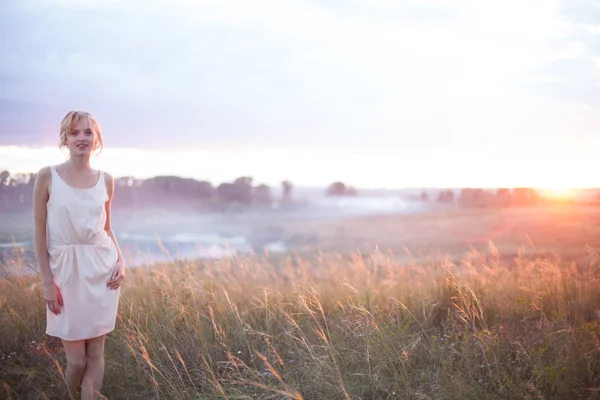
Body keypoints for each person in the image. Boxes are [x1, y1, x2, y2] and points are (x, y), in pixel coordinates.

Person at [32, 110, 126, 400]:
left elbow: (107, 228)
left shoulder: (106, 180)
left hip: (102, 270)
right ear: (65, 138)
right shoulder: (47, 176)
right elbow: (38, 233)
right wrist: (48, 281)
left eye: (88, 132)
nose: (82, 138)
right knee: (76, 361)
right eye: (75, 132)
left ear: (97, 139)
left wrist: (121, 260)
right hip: (65, 272)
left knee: (96, 351)